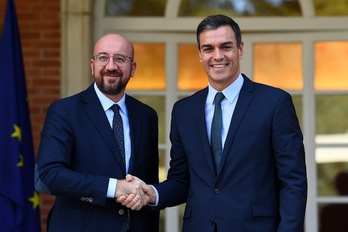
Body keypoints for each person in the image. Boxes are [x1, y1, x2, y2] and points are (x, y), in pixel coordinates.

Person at [119, 14, 308, 232]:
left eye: (226, 47)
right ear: (200, 55)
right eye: (208, 48)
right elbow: (181, 181)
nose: (217, 56)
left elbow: (293, 182)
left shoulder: (274, 103)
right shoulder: (183, 111)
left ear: (240, 49)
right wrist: (152, 193)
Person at [35, 33, 159, 232]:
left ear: (132, 68)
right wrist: (114, 187)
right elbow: (50, 174)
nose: (111, 66)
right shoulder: (64, 111)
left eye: (120, 58)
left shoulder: (146, 116)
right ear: (93, 66)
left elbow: (148, 181)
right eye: (103, 58)